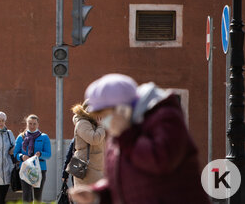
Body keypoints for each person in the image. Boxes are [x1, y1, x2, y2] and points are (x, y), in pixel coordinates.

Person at [69, 74, 209, 204]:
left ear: (123, 110)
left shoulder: (164, 118)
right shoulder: (120, 135)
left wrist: (126, 134)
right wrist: (97, 194)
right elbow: (123, 180)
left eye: (105, 114)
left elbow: (161, 159)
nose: (103, 121)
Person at [13, 115, 51, 203]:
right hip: (25, 169)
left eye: (34, 124)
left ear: (38, 124)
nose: (32, 126)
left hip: (40, 169)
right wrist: (21, 156)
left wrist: (40, 154)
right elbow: (15, 153)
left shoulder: (44, 137)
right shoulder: (21, 137)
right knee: (26, 196)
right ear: (26, 124)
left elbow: (48, 154)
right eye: (30, 124)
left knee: (38, 196)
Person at [70, 100, 105, 185]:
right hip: (87, 167)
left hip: (97, 165)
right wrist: (101, 126)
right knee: (90, 196)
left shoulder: (95, 123)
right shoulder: (82, 123)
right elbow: (94, 139)